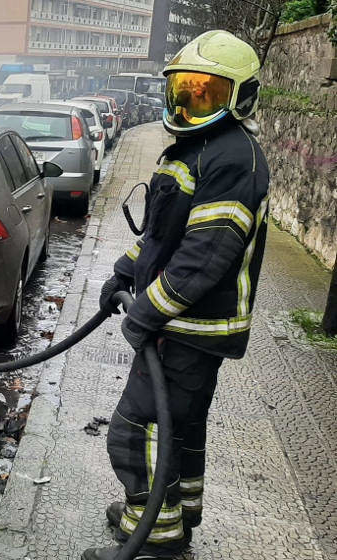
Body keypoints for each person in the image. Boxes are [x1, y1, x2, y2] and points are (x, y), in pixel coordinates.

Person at [87, 30, 270, 560]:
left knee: (136, 430)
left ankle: (154, 540)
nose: (190, 104)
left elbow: (203, 259)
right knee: (182, 431)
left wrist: (145, 313)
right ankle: (172, 515)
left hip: (190, 329)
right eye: (184, 92)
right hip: (191, 329)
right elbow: (168, 237)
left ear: (241, 97)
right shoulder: (203, 149)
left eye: (206, 93)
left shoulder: (232, 159)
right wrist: (125, 271)